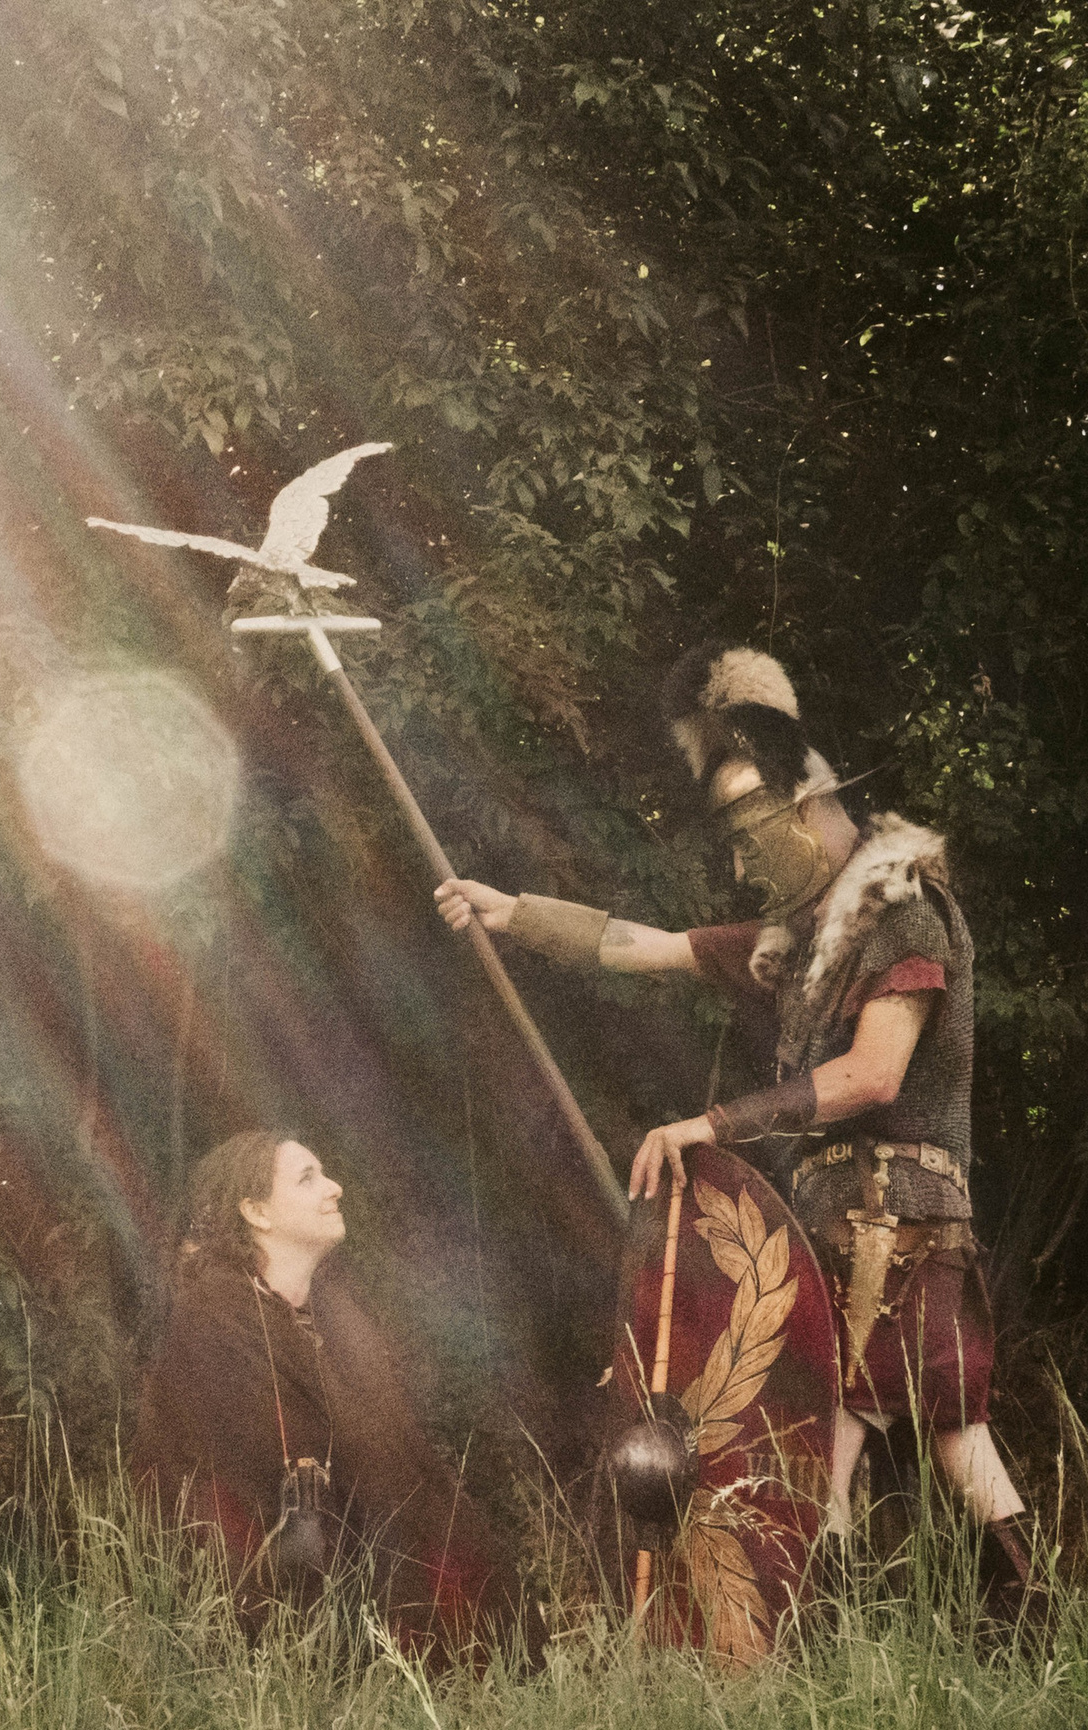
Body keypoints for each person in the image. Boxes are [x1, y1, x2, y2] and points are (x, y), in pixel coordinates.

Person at [435, 643, 1042, 1628]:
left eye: (751, 821)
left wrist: (712, 1123)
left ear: (813, 806)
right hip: (835, 1219)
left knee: (886, 1431)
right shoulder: (802, 941)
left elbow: (872, 1075)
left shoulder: (901, 914)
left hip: (901, 1216)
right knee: (905, 1436)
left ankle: (944, 1638)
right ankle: (924, 1643)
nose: (740, 852)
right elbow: (647, 944)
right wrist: (515, 914)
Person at [130, 1130, 540, 1666]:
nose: (335, 1188)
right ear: (256, 1211)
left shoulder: (335, 1319)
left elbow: (402, 1473)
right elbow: (239, 1496)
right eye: (308, 1178)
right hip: (276, 1629)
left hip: (365, 1583)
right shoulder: (215, 1323)